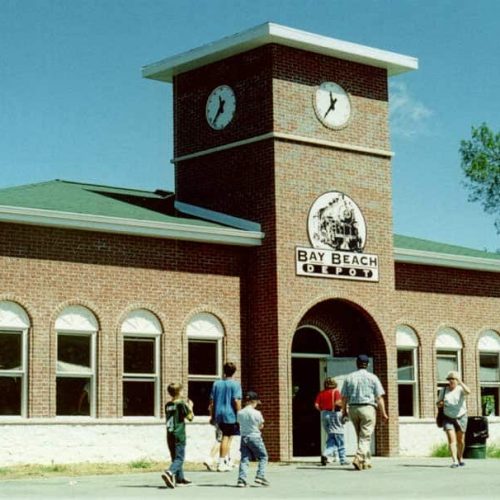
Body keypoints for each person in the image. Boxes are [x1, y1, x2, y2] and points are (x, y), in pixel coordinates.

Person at [341, 354, 388, 470]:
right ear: (368, 364)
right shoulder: (373, 378)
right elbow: (379, 397)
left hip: (353, 408)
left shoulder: (349, 377)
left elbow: (344, 397)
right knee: (366, 436)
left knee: (360, 436)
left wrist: (344, 411)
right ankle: (358, 457)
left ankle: (365, 461)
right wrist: (384, 413)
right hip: (367, 407)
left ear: (356, 364)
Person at [208, 362, 242, 471]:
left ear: (224, 371)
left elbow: (212, 402)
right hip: (230, 414)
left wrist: (212, 416)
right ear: (234, 372)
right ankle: (221, 462)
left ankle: (226, 461)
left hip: (218, 413)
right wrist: (240, 415)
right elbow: (236, 400)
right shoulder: (236, 385)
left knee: (223, 437)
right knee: (226, 438)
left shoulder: (216, 384)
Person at [161, 383, 194, 489]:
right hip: (179, 434)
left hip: (169, 433)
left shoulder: (168, 405)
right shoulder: (181, 404)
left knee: (175, 457)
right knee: (180, 458)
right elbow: (190, 417)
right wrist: (190, 407)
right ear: (179, 392)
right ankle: (169, 473)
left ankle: (180, 479)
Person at [436, 371, 470, 468]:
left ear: (457, 380)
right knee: (452, 440)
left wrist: (460, 381)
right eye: (449, 379)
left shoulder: (460, 389)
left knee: (461, 441)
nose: (451, 381)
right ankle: (454, 461)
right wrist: (440, 404)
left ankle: (460, 458)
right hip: (448, 417)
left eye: (453, 379)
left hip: (461, 416)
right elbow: (438, 403)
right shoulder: (443, 390)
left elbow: (469, 392)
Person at [236, 391, 270, 487]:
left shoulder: (240, 413)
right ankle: (260, 476)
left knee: (244, 458)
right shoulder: (257, 413)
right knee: (263, 457)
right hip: (255, 437)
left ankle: (241, 480)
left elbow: (240, 423)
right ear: (253, 401)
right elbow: (260, 425)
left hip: (244, 437)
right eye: (256, 403)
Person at [314, 376, 349, 466]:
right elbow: (338, 403)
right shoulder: (335, 392)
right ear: (334, 384)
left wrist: (323, 409)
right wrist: (344, 407)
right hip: (334, 414)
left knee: (331, 437)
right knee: (339, 437)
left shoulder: (321, 393)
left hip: (324, 414)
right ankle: (342, 459)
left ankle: (327, 453)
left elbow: (316, 405)